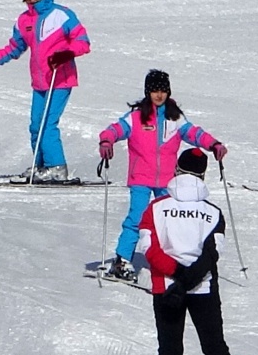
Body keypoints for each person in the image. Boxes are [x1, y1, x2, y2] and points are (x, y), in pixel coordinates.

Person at [136, 147, 246, 355]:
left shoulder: (155, 208)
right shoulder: (213, 212)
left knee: (170, 345)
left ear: (177, 170)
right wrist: (190, 279)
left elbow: (149, 249)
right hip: (203, 287)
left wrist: (177, 278)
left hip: (166, 288)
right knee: (214, 344)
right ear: (203, 175)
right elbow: (211, 254)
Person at [96, 70, 228, 280]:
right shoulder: (136, 117)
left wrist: (213, 144)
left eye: (163, 91)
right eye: (155, 90)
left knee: (167, 220)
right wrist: (106, 141)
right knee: (137, 218)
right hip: (141, 178)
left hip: (167, 180)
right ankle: (122, 260)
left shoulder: (175, 118)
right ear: (147, 92)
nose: (159, 95)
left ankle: (170, 260)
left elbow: (194, 133)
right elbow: (115, 130)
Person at [0, 0, 91, 183]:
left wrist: (67, 53)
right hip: (39, 82)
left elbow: (83, 42)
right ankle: (41, 166)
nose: (31, 1)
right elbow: (15, 47)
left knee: (48, 124)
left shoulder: (62, 15)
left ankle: (57, 167)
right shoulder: (24, 20)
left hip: (60, 79)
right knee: (35, 125)